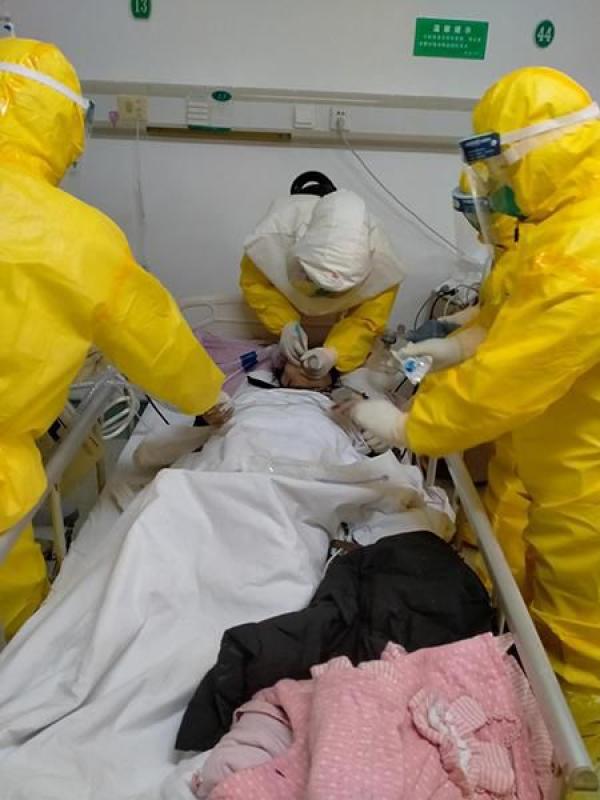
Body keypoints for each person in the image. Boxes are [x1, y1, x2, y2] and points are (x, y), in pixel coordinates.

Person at [343, 66, 600, 760]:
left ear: (534, 154)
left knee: (585, 647)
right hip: (561, 464)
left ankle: (580, 762)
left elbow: (515, 371)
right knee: (548, 606)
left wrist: (415, 427)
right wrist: (454, 347)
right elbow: (509, 324)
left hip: (587, 482)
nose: (496, 189)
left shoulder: (583, 248)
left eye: (501, 167)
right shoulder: (559, 232)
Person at [0, 38, 231, 639]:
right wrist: (210, 399)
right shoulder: (76, 237)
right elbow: (158, 341)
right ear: (62, 129)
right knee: (19, 632)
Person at [406, 188, 530, 590]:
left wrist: (410, 423)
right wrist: (453, 328)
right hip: (525, 414)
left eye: (478, 213)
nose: (477, 227)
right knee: (506, 484)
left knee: (522, 499)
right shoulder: (509, 249)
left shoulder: (545, 250)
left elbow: (515, 335)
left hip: (552, 410)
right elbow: (494, 309)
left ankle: (495, 591)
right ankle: (482, 572)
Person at [240, 172, 404, 378]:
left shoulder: (384, 265)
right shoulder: (271, 237)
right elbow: (257, 285)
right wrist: (284, 323)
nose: (321, 296)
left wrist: (334, 353)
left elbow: (367, 319)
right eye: (313, 279)